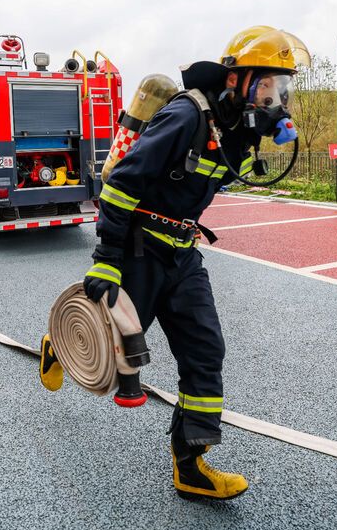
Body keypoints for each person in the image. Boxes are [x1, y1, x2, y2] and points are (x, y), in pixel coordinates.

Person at [80, 26, 309, 502]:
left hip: (182, 254)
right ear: (237, 80)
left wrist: (260, 129)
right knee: (108, 341)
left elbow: (224, 169)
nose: (275, 95)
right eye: (268, 84)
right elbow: (121, 182)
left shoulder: (233, 128)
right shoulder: (186, 114)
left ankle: (191, 465)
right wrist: (106, 258)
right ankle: (60, 344)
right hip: (139, 250)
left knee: (206, 352)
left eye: (280, 87)